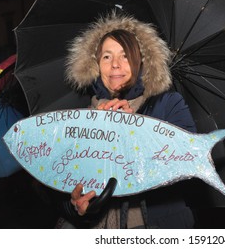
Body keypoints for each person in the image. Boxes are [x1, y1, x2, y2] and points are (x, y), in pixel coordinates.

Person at [58, 12, 197, 229]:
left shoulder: (168, 104)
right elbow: (62, 189)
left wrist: (136, 129)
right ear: (95, 65)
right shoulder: (83, 118)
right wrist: (77, 206)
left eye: (125, 56)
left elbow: (189, 164)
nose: (115, 65)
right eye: (106, 56)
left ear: (141, 61)